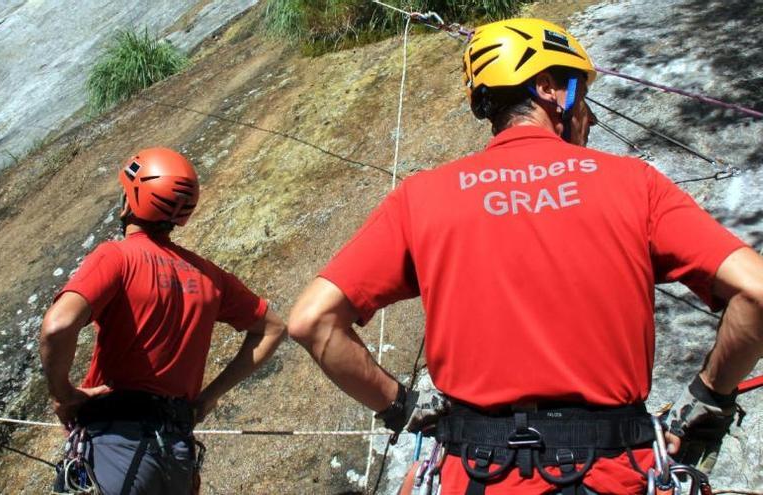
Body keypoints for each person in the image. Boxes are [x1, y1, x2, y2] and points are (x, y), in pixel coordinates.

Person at [288, 18, 763, 494]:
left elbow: (313, 320)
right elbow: (756, 292)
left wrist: (401, 407)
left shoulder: (421, 196)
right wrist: (709, 395)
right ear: (546, 88)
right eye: (581, 93)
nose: (591, 117)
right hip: (610, 473)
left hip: (474, 474)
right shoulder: (634, 184)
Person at [40, 147, 285, 495]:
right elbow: (272, 328)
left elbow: (57, 326)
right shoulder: (208, 275)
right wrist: (208, 397)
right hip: (176, 456)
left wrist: (61, 392)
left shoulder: (116, 256)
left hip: (116, 446)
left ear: (132, 200)